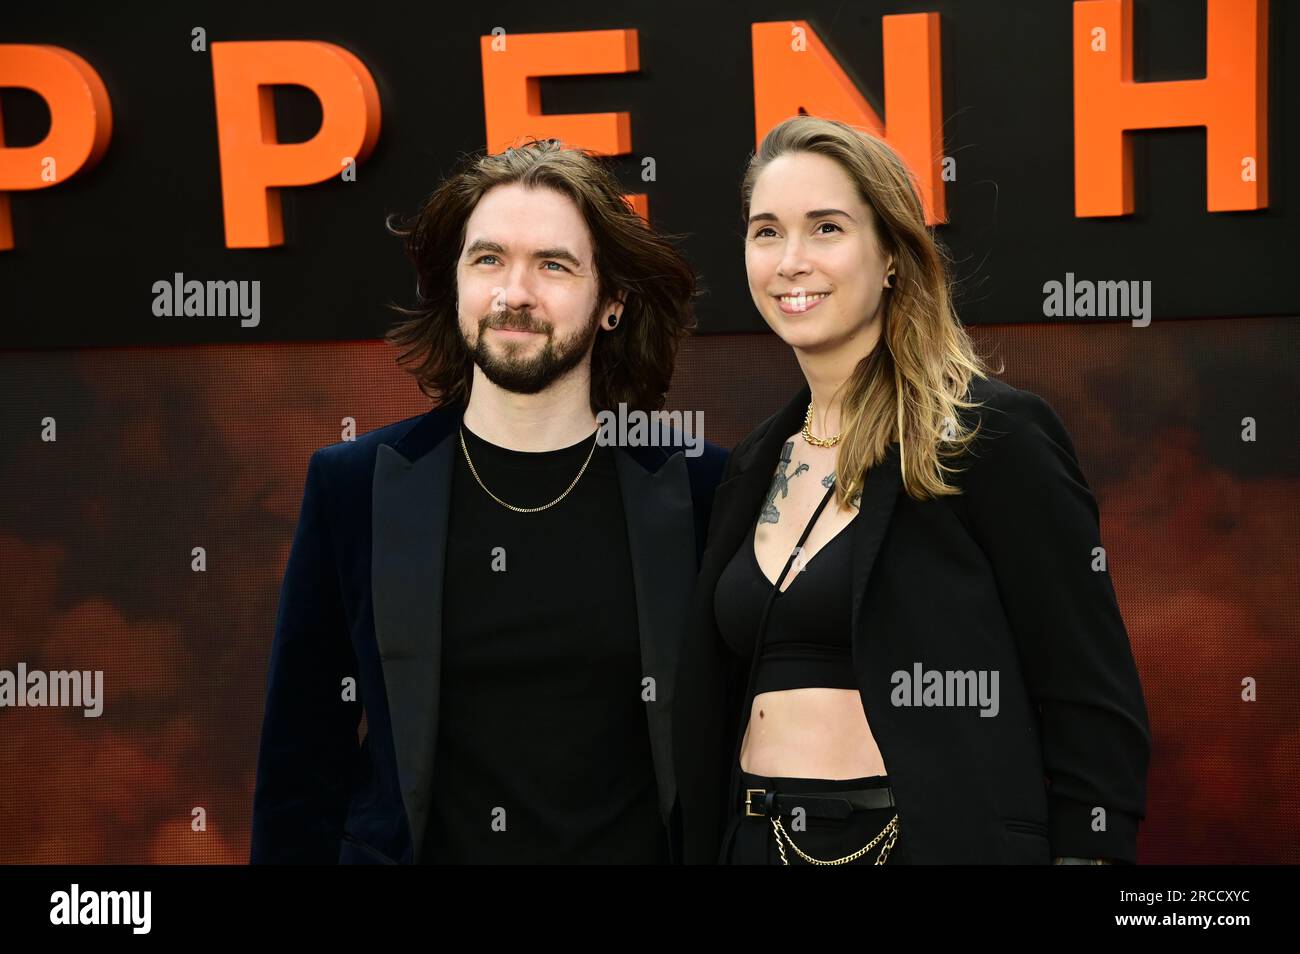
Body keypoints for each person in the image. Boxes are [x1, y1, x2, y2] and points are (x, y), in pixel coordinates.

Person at [672, 115, 1151, 865]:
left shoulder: (992, 436)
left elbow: (1089, 696)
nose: (791, 260)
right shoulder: (754, 463)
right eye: (767, 232)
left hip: (919, 844)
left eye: (826, 228)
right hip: (756, 844)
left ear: (893, 255)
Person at [250, 139, 726, 864]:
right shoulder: (354, 488)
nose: (515, 292)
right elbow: (299, 762)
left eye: (554, 265)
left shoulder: (702, 489)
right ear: (456, 284)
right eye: (488, 259)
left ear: (613, 303)